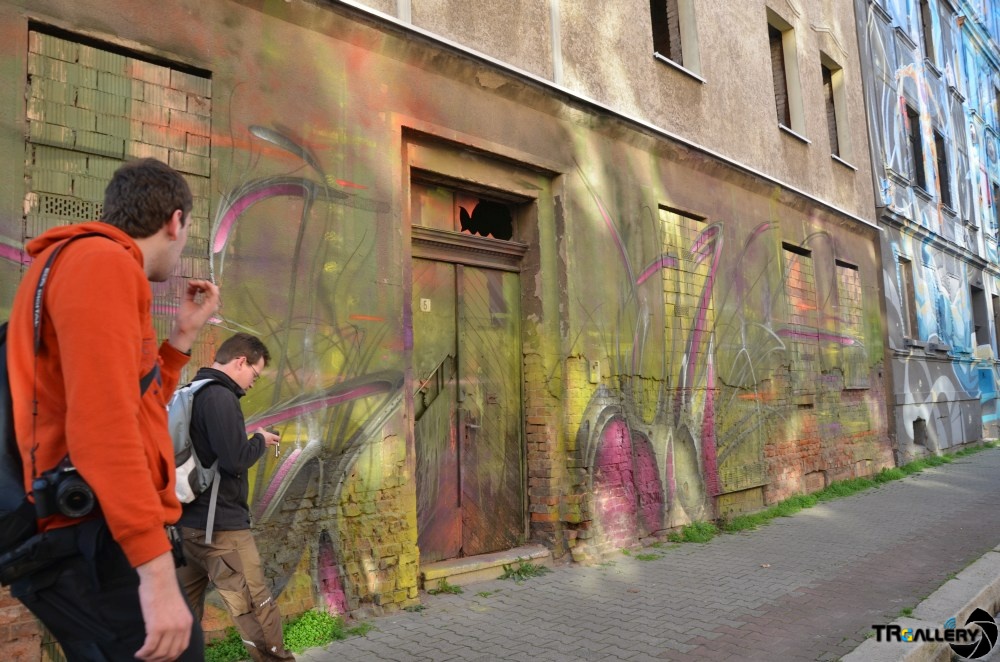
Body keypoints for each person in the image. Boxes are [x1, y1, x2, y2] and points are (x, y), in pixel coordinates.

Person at [7, 157, 220, 661]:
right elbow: (103, 428)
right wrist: (156, 573)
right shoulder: (101, 263)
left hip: (89, 529)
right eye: (188, 230)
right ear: (175, 221)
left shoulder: (85, 263)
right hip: (90, 536)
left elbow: (133, 407)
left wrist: (181, 337)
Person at [177, 332, 294, 662]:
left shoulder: (190, 391)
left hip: (185, 527)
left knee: (182, 618)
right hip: (221, 532)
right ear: (241, 361)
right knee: (255, 609)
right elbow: (234, 459)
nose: (253, 383)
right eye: (255, 374)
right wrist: (258, 440)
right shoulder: (221, 396)